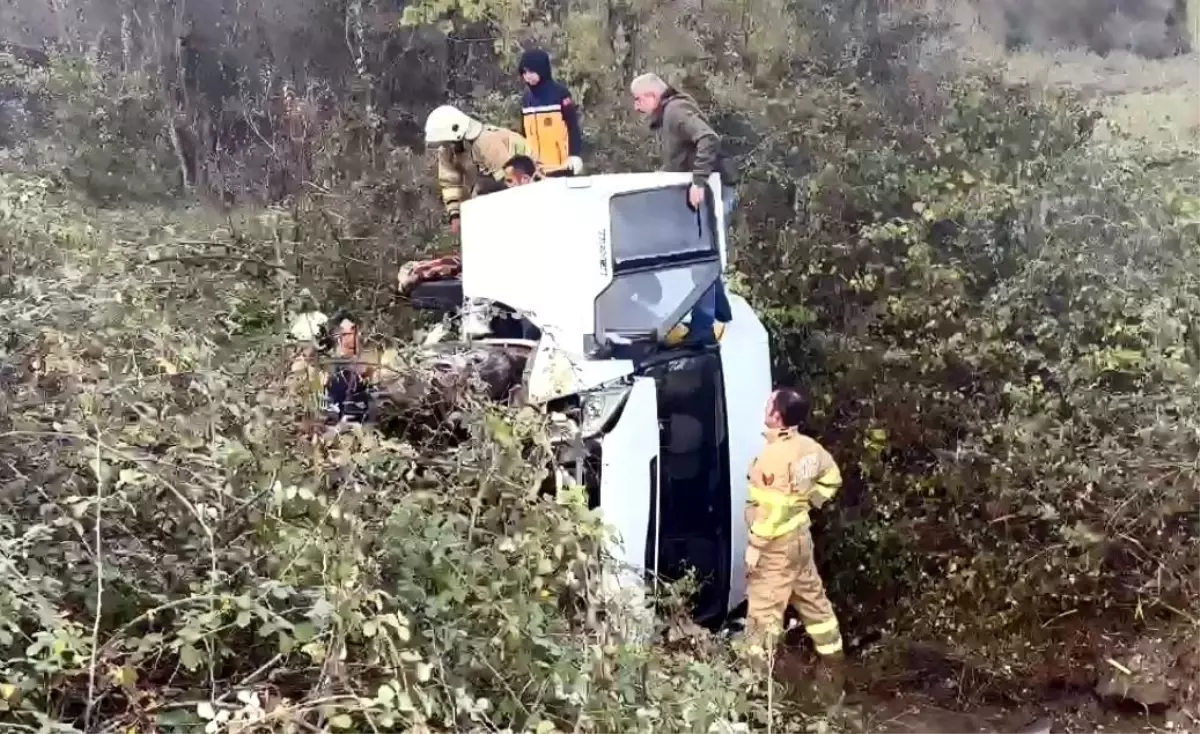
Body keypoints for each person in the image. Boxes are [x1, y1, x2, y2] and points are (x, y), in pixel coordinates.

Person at [743, 389, 844, 679]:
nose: (765, 407)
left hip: (775, 549)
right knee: (815, 604)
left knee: (763, 617)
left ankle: (754, 687)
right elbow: (832, 478)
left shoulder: (773, 458)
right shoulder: (810, 447)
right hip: (800, 540)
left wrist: (755, 547)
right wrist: (810, 502)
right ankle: (834, 668)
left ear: (777, 416)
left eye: (769, 404)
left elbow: (772, 512)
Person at [630, 72, 738, 345]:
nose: (636, 106)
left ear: (652, 96)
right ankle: (718, 310)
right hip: (707, 190)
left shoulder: (676, 111)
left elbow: (708, 139)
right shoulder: (668, 115)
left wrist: (699, 182)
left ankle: (703, 329)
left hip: (715, 190)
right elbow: (682, 158)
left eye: (638, 99)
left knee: (699, 259)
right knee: (700, 256)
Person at [425, 105, 534, 234]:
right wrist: (455, 215)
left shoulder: (486, 142)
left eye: (445, 141)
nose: (443, 145)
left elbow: (508, 180)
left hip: (528, 175)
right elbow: (450, 182)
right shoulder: (446, 150)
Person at [518, 48, 583, 176]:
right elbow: (525, 134)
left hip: (561, 167)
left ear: (541, 69)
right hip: (536, 171)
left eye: (531, 71)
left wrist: (574, 155)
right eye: (524, 72)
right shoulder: (526, 99)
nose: (527, 76)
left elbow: (572, 126)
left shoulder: (560, 94)